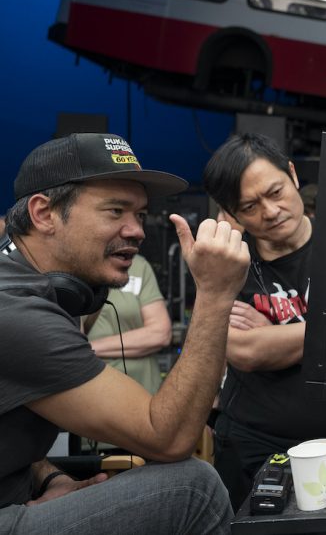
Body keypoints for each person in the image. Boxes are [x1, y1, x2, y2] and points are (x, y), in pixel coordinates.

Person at [0, 133, 249, 533]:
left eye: (140, 214)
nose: (137, 231)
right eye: (116, 211)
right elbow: (167, 438)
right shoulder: (19, 312)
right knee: (193, 488)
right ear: (44, 214)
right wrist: (216, 294)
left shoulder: (28, 286)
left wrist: (49, 476)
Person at [202, 133, 326, 509]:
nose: (270, 212)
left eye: (275, 192)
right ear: (231, 213)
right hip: (252, 445)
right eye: (250, 206)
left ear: (291, 174)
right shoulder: (229, 261)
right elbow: (243, 351)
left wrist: (273, 335)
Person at [85, 254, 171, 396]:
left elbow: (160, 334)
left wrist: (88, 348)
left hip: (144, 389)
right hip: (95, 392)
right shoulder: (75, 266)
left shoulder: (138, 265)